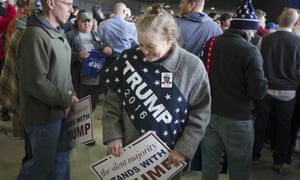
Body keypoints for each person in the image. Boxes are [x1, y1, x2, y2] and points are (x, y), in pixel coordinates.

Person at [101, 3, 211, 179]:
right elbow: (112, 103)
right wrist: (113, 135)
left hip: (168, 159)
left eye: (150, 46)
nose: (143, 51)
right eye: (140, 44)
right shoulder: (128, 59)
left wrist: (184, 149)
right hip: (127, 154)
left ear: (169, 39)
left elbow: (201, 113)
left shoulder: (192, 67)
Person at [200, 0, 268, 179]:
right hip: (238, 118)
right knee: (239, 167)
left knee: (210, 164)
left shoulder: (210, 43)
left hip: (210, 114)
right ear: (248, 29)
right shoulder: (250, 51)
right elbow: (258, 92)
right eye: (253, 31)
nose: (254, 35)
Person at [16, 0, 78, 179]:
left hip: (60, 112)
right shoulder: (35, 35)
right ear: (51, 3)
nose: (71, 10)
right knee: (39, 168)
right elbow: (35, 82)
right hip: (42, 118)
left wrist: (72, 93)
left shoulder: (57, 32)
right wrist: (65, 99)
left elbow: (63, 71)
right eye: (67, 4)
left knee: (60, 161)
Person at [252, 8, 300, 173]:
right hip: (288, 92)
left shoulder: (265, 40)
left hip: (266, 89)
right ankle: (279, 160)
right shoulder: (298, 42)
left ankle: (255, 155)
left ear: (279, 20)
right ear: (294, 23)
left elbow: (257, 65)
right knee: (284, 127)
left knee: (260, 124)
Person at [65, 10, 112, 117]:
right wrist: (78, 55)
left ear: (92, 22)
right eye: (83, 21)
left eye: (88, 21)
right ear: (77, 22)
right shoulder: (70, 36)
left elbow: (108, 48)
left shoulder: (98, 36)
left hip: (95, 80)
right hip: (77, 80)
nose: (86, 24)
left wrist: (108, 49)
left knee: (90, 108)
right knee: (76, 110)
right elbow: (62, 57)